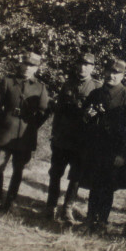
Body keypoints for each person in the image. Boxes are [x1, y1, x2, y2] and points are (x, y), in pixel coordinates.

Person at [82, 58, 126, 232]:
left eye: (116, 73)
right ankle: (90, 219)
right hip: (95, 148)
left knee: (108, 186)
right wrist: (89, 114)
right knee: (94, 184)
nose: (111, 76)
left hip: (114, 150)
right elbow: (85, 120)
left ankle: (102, 222)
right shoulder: (96, 93)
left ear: (122, 75)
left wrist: (123, 155)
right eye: (109, 72)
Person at [45, 52, 102, 222]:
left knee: (76, 176)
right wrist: (54, 134)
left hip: (81, 141)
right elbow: (59, 112)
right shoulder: (67, 85)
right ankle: (51, 206)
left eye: (87, 65)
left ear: (92, 68)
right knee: (55, 173)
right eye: (80, 64)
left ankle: (67, 208)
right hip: (63, 138)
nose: (82, 67)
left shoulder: (97, 88)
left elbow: (97, 116)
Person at [0, 52, 49, 212]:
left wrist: (32, 126)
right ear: (20, 64)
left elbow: (44, 112)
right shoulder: (8, 82)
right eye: (25, 64)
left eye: (31, 66)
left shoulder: (40, 87)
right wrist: (2, 122)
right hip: (5, 131)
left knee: (18, 169)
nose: (27, 68)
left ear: (36, 68)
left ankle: (11, 199)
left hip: (25, 135)